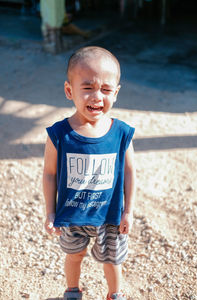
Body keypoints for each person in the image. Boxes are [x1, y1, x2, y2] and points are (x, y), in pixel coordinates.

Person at [43, 46, 136, 300]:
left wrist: (128, 211)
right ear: (69, 90)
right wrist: (50, 211)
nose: (97, 97)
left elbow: (129, 172)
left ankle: (114, 294)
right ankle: (72, 291)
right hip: (73, 214)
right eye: (88, 88)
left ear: (116, 93)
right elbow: (49, 174)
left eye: (106, 90)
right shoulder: (59, 134)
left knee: (113, 260)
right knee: (74, 255)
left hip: (110, 215)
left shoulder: (121, 134)